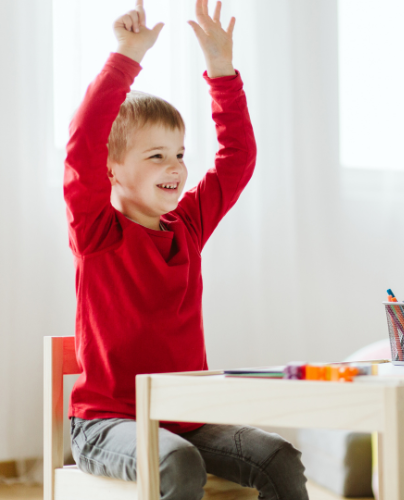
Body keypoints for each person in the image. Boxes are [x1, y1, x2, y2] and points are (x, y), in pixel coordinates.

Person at [63, 1, 308, 499]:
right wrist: (126, 58)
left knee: (279, 457)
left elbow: (237, 160)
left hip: (182, 419)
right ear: (112, 172)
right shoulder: (96, 232)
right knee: (178, 460)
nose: (175, 166)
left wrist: (222, 69)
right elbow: (82, 144)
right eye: (156, 156)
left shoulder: (187, 227)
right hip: (106, 423)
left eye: (178, 153)